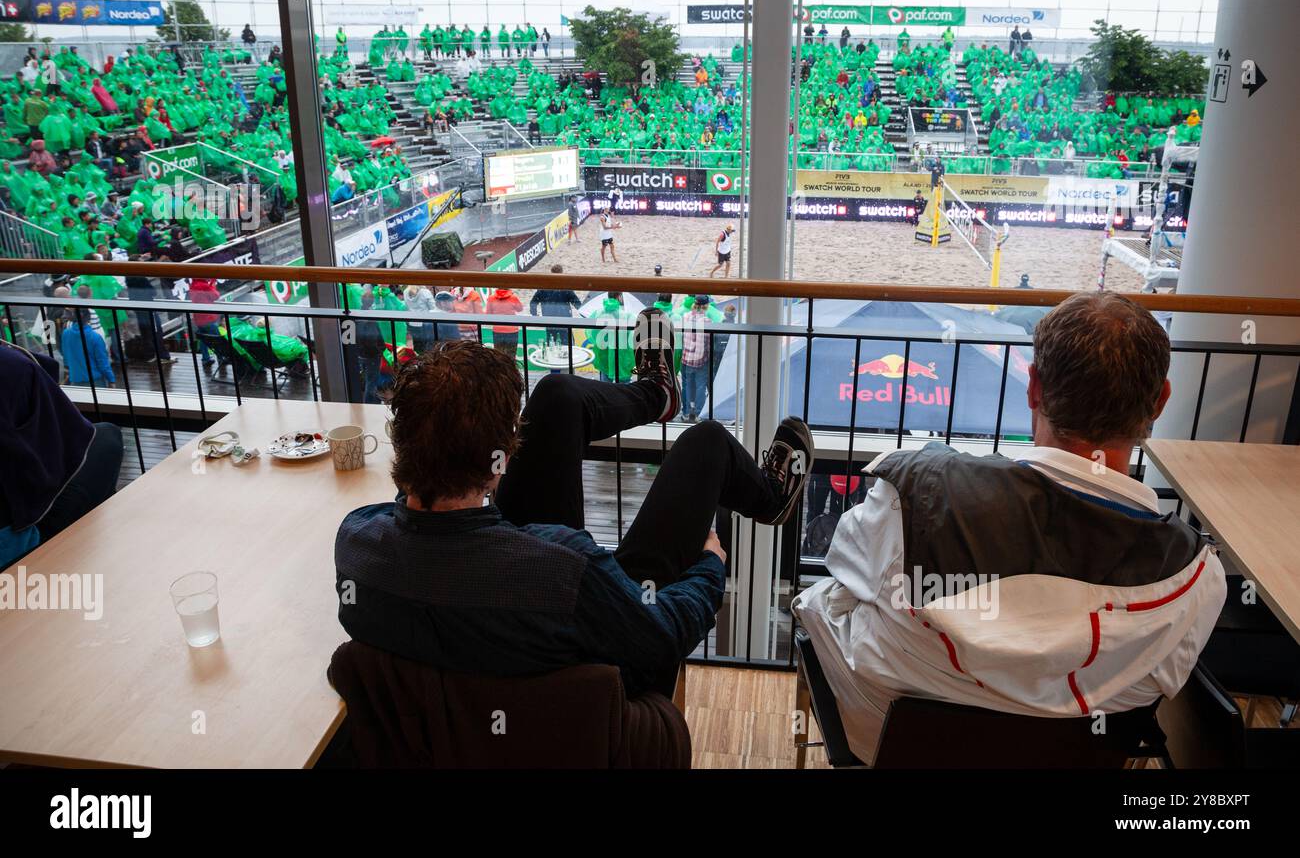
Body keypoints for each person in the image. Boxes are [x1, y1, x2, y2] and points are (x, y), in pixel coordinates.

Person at [793, 292, 1227, 766]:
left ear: (1033, 387)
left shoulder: (915, 492)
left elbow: (844, 563)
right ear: (1161, 400)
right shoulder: (1197, 580)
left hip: (891, 743)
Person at [334, 313, 815, 699]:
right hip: (587, 682)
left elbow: (422, 526)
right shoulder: (569, 566)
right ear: (499, 461)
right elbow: (663, 637)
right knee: (707, 442)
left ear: (401, 443)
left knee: (557, 395)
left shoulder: (356, 542)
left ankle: (656, 394)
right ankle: (770, 499)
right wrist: (710, 566)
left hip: (498, 627)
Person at [0, 340, 124, 569]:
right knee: (107, 437)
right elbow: (67, 440)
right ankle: (83, 554)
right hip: (17, 549)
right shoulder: (11, 366)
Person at [529, 264, 582, 349]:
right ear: (561, 273)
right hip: (564, 321)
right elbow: (577, 304)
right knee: (567, 347)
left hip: (549, 321)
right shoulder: (566, 287)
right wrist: (584, 314)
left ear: (551, 273)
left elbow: (533, 303)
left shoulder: (543, 287)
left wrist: (534, 314)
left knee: (552, 346)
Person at [679, 295, 713, 422]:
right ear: (706, 306)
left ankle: (687, 412)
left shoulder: (686, 317)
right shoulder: (707, 322)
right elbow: (708, 343)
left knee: (687, 385)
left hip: (687, 357)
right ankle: (698, 414)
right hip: (700, 359)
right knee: (700, 386)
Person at [61, 315, 115, 387]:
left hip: (75, 381)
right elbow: (103, 363)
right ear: (89, 320)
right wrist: (111, 380)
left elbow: (66, 359)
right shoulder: (96, 337)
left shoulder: (65, 334)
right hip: (96, 382)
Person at [485, 287, 524, 363]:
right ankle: (511, 373)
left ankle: (501, 373)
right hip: (512, 330)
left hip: (497, 330)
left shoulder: (491, 298)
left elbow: (488, 314)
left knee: (499, 356)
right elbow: (520, 309)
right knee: (511, 356)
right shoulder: (513, 297)